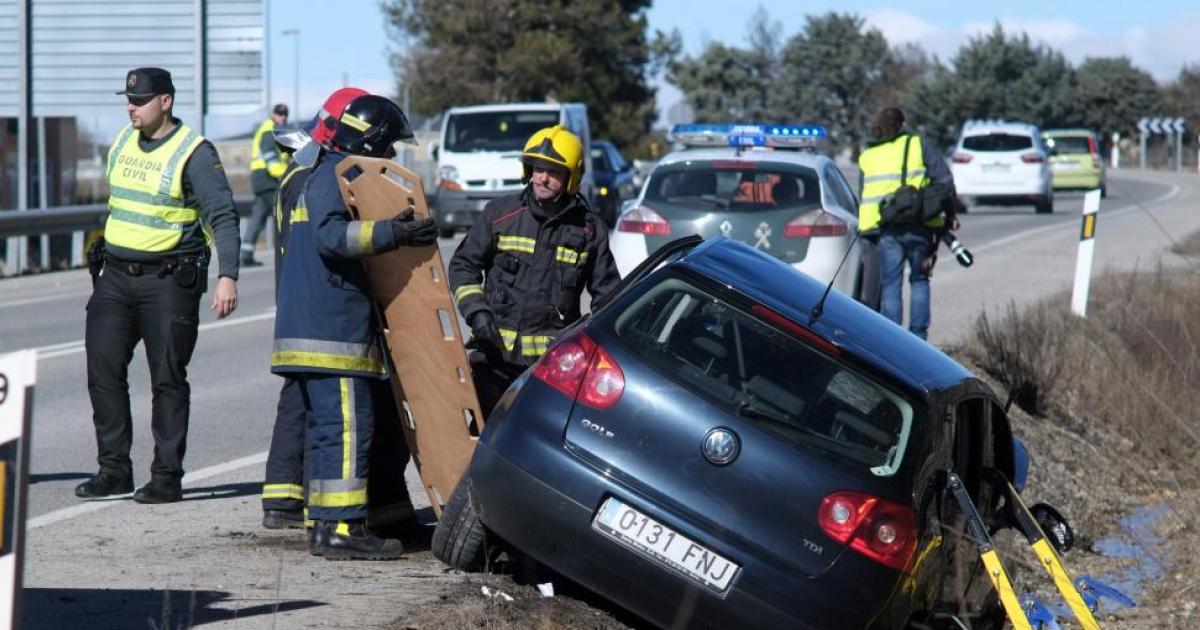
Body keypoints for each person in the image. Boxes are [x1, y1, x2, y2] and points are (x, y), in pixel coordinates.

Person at [272, 94, 438, 559]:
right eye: (386, 148)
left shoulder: (323, 173)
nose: (388, 158)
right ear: (372, 139)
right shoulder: (335, 176)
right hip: (331, 334)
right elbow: (332, 238)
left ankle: (326, 526)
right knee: (348, 430)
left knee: (330, 433)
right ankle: (342, 529)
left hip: (315, 329)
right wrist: (394, 235)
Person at [76, 67, 240, 504]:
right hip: (114, 277)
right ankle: (114, 469)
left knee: (167, 378)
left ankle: (166, 477)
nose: (131, 107)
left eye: (141, 100)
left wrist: (228, 276)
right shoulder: (122, 140)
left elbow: (222, 215)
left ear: (165, 101)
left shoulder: (195, 152)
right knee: (102, 372)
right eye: (128, 100)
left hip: (168, 281)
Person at [449, 125, 621, 415]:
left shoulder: (589, 232)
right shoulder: (499, 214)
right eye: (537, 169)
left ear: (572, 177)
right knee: (482, 439)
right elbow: (463, 265)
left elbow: (609, 298)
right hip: (494, 358)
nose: (541, 178)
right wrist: (477, 312)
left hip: (549, 370)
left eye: (553, 171)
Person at [260, 87, 367, 531]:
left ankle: (284, 500)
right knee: (330, 417)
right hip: (320, 305)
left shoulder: (298, 172)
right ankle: (327, 518)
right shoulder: (322, 176)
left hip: (296, 300)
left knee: (298, 402)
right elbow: (333, 239)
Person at [857, 107, 957, 340]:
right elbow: (945, 182)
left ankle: (893, 340)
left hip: (886, 228)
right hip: (919, 225)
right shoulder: (917, 145)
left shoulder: (868, 155)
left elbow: (863, 194)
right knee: (919, 280)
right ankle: (918, 337)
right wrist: (948, 215)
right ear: (901, 124)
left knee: (891, 283)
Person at [241, 103, 290, 267]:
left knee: (258, 216)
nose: (283, 117)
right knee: (284, 214)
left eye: (285, 114)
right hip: (268, 177)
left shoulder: (270, 128)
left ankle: (245, 254)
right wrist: (286, 175)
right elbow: (271, 159)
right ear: (273, 114)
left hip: (261, 177)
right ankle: (289, 252)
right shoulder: (269, 130)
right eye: (280, 114)